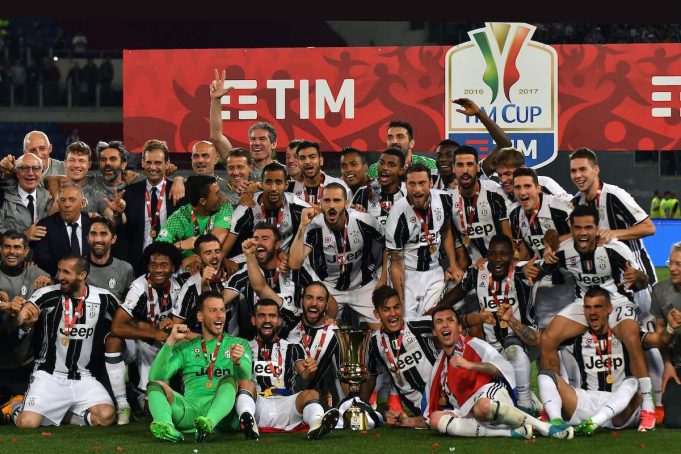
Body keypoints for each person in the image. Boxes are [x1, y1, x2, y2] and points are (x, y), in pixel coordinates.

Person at [525, 204, 657, 431]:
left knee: (631, 336)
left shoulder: (615, 248)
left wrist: (637, 277)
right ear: (571, 229)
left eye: (588, 228)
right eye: (578, 228)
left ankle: (647, 406)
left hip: (616, 302)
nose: (583, 233)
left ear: (597, 228)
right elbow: (541, 268)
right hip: (584, 304)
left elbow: (642, 279)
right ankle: (554, 406)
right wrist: (533, 268)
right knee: (548, 338)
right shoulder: (564, 251)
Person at [424, 305, 573, 439]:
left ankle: (544, 427)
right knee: (436, 420)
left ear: (459, 328)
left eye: (450, 320)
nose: (445, 324)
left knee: (482, 407)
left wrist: (470, 365)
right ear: (435, 332)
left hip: (491, 393)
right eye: (439, 321)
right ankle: (510, 432)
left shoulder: (474, 344)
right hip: (468, 410)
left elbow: (504, 369)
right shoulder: (439, 365)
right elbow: (429, 410)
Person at [9, 256, 118, 428]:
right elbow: (22, 317)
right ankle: (15, 407)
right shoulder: (47, 294)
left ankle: (66, 414)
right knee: (28, 423)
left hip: (83, 377)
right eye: (59, 270)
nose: (60, 277)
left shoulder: (103, 298)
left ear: (82, 275)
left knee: (106, 417)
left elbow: (124, 319)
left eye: (66, 272)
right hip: (49, 376)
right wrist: (21, 318)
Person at [440, 235, 540, 412]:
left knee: (513, 346)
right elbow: (456, 294)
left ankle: (525, 404)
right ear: (487, 256)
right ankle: (530, 401)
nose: (498, 259)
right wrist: (435, 311)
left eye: (504, 254)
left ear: (512, 256)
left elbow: (547, 266)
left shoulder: (521, 272)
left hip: (524, 341)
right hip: (493, 349)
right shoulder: (478, 273)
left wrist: (547, 255)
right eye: (493, 254)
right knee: (494, 400)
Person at [146, 291, 253, 442]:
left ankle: (209, 423)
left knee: (229, 380)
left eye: (222, 310)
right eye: (213, 310)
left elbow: (246, 378)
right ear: (200, 316)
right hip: (189, 411)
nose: (220, 315)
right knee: (156, 385)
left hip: (224, 417)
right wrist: (170, 341)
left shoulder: (238, 344)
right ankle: (166, 427)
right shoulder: (185, 348)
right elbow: (155, 377)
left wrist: (238, 362)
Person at [538, 288, 641, 434]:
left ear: (609, 308)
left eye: (598, 307)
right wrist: (512, 320)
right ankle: (556, 422)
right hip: (589, 402)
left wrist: (669, 329)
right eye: (587, 307)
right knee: (545, 375)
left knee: (632, 382)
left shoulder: (626, 334)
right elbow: (539, 340)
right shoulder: (576, 339)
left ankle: (594, 423)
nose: (592, 312)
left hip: (621, 409)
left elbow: (658, 341)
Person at [234, 299, 340, 440]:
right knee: (245, 384)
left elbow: (304, 373)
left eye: (272, 316)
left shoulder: (293, 347)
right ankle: (248, 422)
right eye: (261, 316)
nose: (267, 320)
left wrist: (310, 369)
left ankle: (317, 424)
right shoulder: (244, 346)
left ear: (279, 321)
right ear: (253, 320)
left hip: (287, 404)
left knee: (311, 394)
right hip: (258, 404)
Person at [108, 242, 185, 423]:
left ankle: (139, 393)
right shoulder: (139, 287)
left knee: (155, 410)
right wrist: (154, 333)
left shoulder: (179, 287)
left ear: (173, 268)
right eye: (153, 265)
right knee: (113, 340)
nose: (158, 270)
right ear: (148, 266)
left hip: (165, 346)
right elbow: (117, 326)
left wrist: (169, 326)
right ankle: (123, 403)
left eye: (164, 265)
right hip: (140, 343)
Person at [290, 183, 385, 327]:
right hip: (330, 288)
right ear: (321, 203)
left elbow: (389, 247)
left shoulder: (364, 220)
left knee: (381, 330)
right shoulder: (314, 226)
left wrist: (382, 280)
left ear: (346, 203)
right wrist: (302, 226)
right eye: (327, 201)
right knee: (326, 331)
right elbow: (294, 263)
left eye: (337, 200)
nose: (331, 206)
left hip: (363, 285)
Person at [224, 225, 330, 339]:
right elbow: (221, 301)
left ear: (277, 244)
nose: (259, 243)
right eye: (255, 239)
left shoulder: (295, 269)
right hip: (260, 340)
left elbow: (329, 301)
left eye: (265, 238)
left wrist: (327, 320)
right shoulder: (245, 272)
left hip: (296, 338)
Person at [385, 163, 460, 319]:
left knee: (431, 320)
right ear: (406, 185)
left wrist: (453, 264)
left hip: (434, 272)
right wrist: (400, 300)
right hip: (407, 274)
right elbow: (396, 263)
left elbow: (446, 231)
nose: (417, 189)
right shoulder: (397, 213)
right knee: (408, 322)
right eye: (412, 184)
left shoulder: (444, 200)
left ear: (430, 183)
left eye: (422, 183)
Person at [360, 285, 439, 423]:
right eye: (386, 309)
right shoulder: (374, 342)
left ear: (402, 308)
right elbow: (370, 378)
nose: (393, 314)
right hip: (419, 406)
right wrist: (361, 407)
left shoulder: (419, 326)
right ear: (377, 314)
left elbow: (455, 324)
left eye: (396, 307)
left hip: (441, 393)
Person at [509, 167, 575, 328]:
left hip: (575, 278)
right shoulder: (515, 215)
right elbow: (523, 252)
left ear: (538, 188)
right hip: (547, 281)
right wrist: (525, 267)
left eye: (527, 186)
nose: (522, 192)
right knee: (546, 334)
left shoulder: (561, 208)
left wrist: (555, 243)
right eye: (517, 187)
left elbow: (586, 233)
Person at [117, 139, 184, 274]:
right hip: (138, 265)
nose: (152, 167)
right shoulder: (130, 192)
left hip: (171, 264)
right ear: (142, 163)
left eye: (158, 162)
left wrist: (180, 179)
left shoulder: (179, 192)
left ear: (167, 163)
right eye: (148, 162)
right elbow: (124, 231)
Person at [0, 231, 51, 406]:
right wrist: (5, 306)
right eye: (7, 246)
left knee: (23, 408)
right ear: (0, 249)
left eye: (17, 247)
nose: (11, 251)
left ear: (26, 251)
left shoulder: (35, 273)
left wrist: (50, 283)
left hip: (25, 362)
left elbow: (60, 286)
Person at [224, 163, 309, 265]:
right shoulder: (247, 207)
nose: (273, 188)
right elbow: (225, 248)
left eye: (278, 182)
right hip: (254, 260)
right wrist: (224, 260)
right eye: (268, 182)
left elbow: (319, 215)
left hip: (286, 261)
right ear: (261, 183)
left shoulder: (298, 207)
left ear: (286, 184)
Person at [450, 145, 512, 267]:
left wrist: (490, 260)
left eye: (470, 164)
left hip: (503, 263)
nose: (465, 170)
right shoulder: (448, 201)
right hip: (474, 267)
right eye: (460, 165)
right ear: (453, 168)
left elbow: (509, 239)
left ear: (477, 167)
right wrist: (455, 269)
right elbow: (460, 253)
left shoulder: (495, 192)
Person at [209, 69, 277, 180]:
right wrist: (216, 100)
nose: (256, 143)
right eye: (253, 139)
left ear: (273, 144)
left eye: (262, 139)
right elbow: (216, 137)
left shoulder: (285, 171)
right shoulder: (239, 165)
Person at [156, 174, 232, 264]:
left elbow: (213, 244)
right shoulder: (179, 218)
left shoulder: (224, 206)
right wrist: (180, 245)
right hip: (186, 271)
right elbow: (157, 249)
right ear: (203, 201)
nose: (221, 196)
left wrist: (187, 261)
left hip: (210, 264)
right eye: (217, 193)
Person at [172, 234, 236, 334]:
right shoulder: (190, 287)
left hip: (234, 340)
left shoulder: (234, 273)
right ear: (198, 258)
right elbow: (176, 327)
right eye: (208, 253)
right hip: (204, 340)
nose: (214, 256)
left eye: (217, 251)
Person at [31, 183, 92, 277]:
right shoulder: (45, 226)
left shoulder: (92, 223)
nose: (67, 204)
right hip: (57, 279)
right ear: (58, 203)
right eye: (62, 200)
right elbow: (41, 259)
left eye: (72, 199)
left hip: (91, 278)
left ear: (83, 203)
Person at [352, 148, 407, 234]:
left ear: (401, 171)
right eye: (381, 163)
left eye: (391, 165)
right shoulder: (363, 192)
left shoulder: (408, 192)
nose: (384, 167)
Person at [0, 153, 51, 237]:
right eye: (24, 168)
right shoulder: (4, 196)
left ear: (41, 172)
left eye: (36, 168)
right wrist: (24, 235)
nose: (30, 173)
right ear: (16, 172)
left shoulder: (49, 198)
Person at [367, 119, 437, 179]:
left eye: (400, 137)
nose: (394, 141)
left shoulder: (431, 165)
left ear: (411, 143)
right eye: (390, 137)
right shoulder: (375, 169)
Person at [85, 216, 134, 301]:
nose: (98, 239)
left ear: (113, 239)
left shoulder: (125, 270)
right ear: (88, 238)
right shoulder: (75, 267)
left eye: (103, 234)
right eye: (93, 234)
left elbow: (129, 305)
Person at [289, 141, 350, 206]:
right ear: (298, 163)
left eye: (312, 157)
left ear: (321, 161)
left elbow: (349, 211)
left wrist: (321, 211)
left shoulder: (340, 185)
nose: (307, 161)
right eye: (302, 158)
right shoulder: (290, 188)